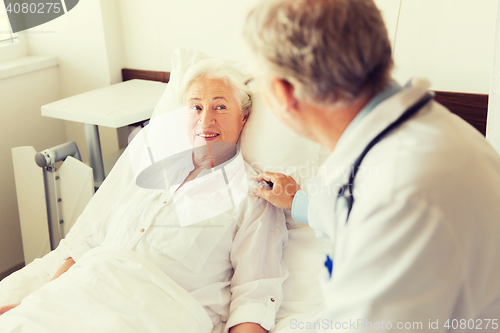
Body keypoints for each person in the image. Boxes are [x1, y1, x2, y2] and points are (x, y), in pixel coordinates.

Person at [243, 0, 500, 331]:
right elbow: (355, 197)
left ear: (282, 92)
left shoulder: (404, 197)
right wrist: (299, 202)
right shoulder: (415, 134)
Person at [0, 59, 288, 333]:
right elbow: (89, 243)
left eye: (220, 106)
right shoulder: (152, 173)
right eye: (196, 107)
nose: (206, 119)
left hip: (144, 315)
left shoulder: (255, 195)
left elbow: (253, 298)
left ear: (244, 118)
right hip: (70, 299)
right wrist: (35, 302)